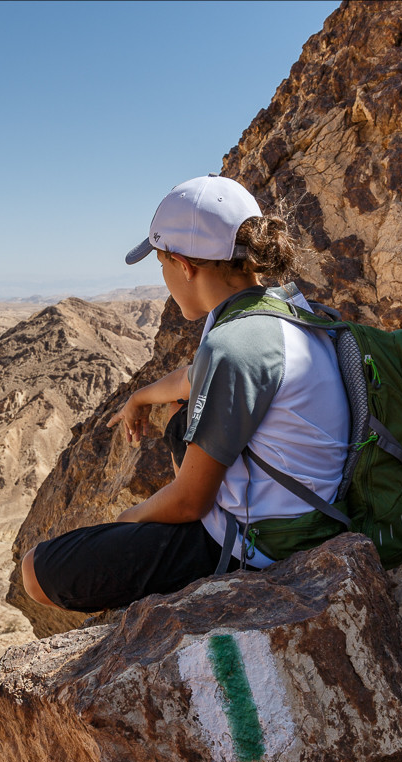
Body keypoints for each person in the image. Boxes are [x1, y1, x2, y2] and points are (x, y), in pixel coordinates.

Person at [21, 174, 350, 612]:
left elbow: (190, 501)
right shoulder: (274, 308)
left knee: (37, 572)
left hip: (267, 546)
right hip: (312, 514)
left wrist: (125, 526)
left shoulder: (235, 345)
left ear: (184, 265)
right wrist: (138, 398)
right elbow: (193, 380)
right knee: (181, 416)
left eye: (160, 265)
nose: (164, 279)